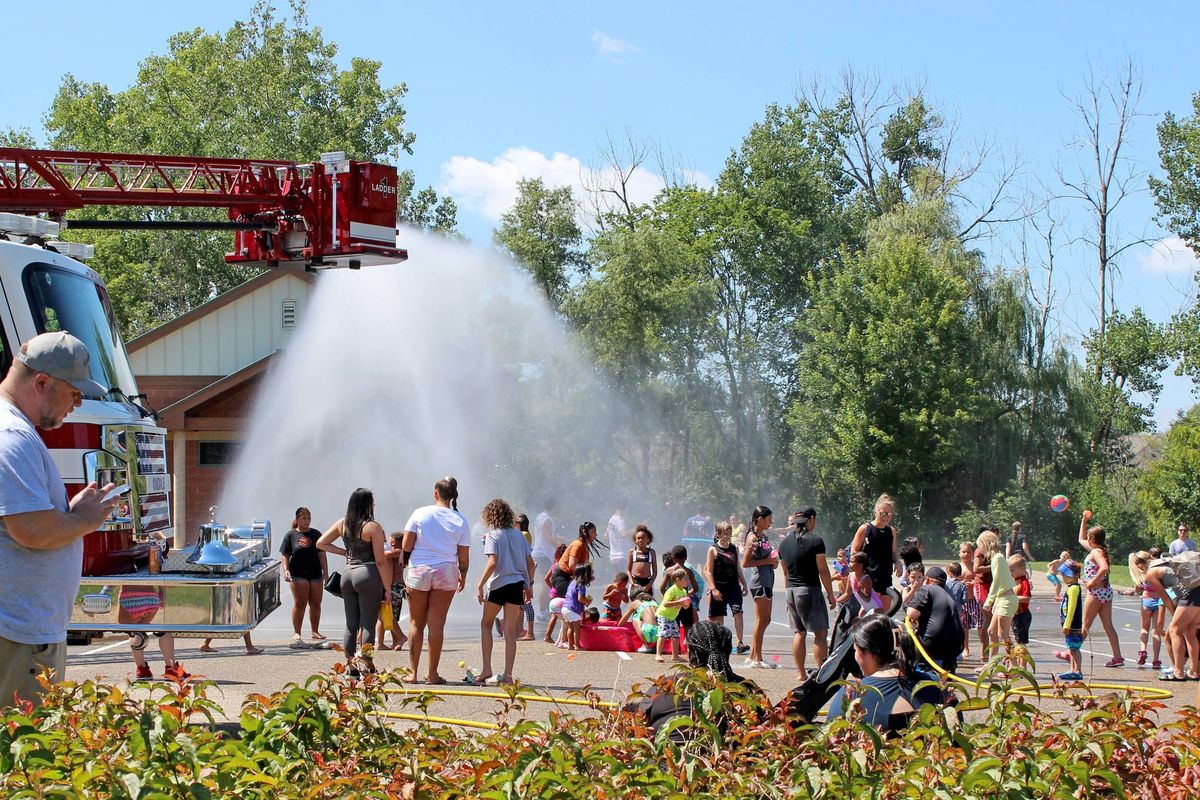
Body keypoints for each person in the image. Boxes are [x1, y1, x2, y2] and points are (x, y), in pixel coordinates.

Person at [0, 332, 121, 707]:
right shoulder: (12, 436)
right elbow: (32, 530)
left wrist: (70, 511)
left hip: (20, 630)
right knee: (25, 754)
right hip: (18, 634)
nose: (78, 402)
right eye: (74, 392)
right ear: (41, 382)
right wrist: (84, 518)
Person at [401, 477, 470, 685]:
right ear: (453, 496)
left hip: (420, 570)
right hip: (446, 571)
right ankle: (432, 674)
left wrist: (403, 568)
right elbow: (463, 556)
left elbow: (406, 544)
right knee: (437, 624)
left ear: (435, 493)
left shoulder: (420, 513)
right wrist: (463, 576)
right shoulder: (460, 520)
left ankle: (412, 673)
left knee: (415, 623)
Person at [317, 488, 392, 677]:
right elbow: (381, 560)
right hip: (367, 573)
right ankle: (367, 664)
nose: (374, 504)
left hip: (348, 574)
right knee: (368, 623)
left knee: (351, 624)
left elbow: (321, 543)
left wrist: (344, 552)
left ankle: (350, 665)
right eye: (372, 501)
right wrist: (388, 587)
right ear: (366, 504)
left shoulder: (342, 524)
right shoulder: (372, 527)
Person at [827, 614, 943, 735]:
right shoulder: (937, 686)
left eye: (855, 650)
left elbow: (832, 742)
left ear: (866, 652)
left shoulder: (851, 696)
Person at [475, 498, 534, 686]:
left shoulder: (493, 534)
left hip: (499, 584)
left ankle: (487, 669)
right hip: (517, 584)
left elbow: (493, 562)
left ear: (491, 516)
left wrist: (479, 584)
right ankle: (508, 675)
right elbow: (530, 563)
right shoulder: (519, 536)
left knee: (486, 624)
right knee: (510, 631)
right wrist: (529, 584)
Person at [778, 508, 836, 682]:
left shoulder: (783, 543)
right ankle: (821, 672)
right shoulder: (816, 541)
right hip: (809, 590)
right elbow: (823, 570)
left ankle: (801, 673)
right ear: (811, 520)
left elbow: (785, 572)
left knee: (799, 632)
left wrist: (789, 597)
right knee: (820, 633)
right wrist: (831, 595)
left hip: (791, 591)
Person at [1077, 510, 1124, 667]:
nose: (1086, 540)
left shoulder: (1096, 552)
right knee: (1108, 625)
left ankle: (1072, 650)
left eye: (1089, 538)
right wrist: (1084, 520)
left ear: (1092, 539)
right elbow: (1080, 539)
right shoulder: (1098, 549)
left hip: (1096, 592)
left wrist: (1091, 582)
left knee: (1085, 624)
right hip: (1105, 591)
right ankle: (1117, 657)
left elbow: (1103, 568)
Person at [280, 506, 328, 645]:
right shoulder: (290, 535)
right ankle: (297, 632)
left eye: (308, 518)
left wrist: (326, 572)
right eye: (303, 518)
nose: (307, 521)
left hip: (315, 573)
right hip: (297, 573)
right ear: (297, 519)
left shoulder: (316, 534)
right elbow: (285, 555)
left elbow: (322, 554)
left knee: (316, 603)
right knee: (300, 603)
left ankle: (315, 631)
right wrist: (286, 570)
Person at [904, 565, 964, 674]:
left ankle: (919, 668)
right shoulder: (947, 593)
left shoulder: (927, 589)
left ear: (926, 580)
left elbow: (911, 613)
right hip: (958, 644)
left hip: (934, 643)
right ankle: (948, 665)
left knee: (908, 635)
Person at [704, 521, 750, 655]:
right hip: (719, 586)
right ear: (718, 534)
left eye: (729, 533)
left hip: (733, 586)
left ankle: (740, 642)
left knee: (738, 612)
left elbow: (738, 568)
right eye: (725, 533)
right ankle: (717, 643)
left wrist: (744, 584)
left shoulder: (734, 548)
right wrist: (713, 589)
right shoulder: (713, 549)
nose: (728, 535)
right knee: (718, 617)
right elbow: (708, 571)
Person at [742, 506, 778, 669]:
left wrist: (773, 561)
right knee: (761, 619)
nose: (771, 522)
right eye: (769, 519)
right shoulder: (753, 537)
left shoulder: (763, 536)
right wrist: (768, 562)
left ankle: (752, 656)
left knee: (767, 619)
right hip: (759, 581)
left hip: (768, 579)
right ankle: (758, 658)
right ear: (760, 519)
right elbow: (746, 563)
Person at [850, 495, 901, 607]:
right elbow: (854, 552)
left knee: (885, 610)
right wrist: (857, 573)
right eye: (883, 513)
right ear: (876, 512)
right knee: (869, 609)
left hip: (885, 576)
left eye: (889, 514)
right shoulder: (865, 528)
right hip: (868, 576)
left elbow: (893, 552)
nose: (886, 517)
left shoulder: (891, 531)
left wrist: (897, 562)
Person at [1121, 551, 1164, 670]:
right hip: (1159, 600)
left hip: (1147, 599)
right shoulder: (1157, 570)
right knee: (1156, 631)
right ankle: (1156, 660)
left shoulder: (1143, 574)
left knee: (1144, 628)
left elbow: (1138, 589)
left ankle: (1143, 650)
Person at [979, 530, 1014, 656]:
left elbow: (997, 581)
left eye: (980, 545)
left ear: (986, 544)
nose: (979, 549)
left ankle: (1014, 664)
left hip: (1007, 598)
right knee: (992, 632)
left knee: (1003, 634)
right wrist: (995, 601)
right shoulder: (995, 559)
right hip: (1001, 598)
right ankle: (991, 663)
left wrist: (989, 600)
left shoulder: (998, 558)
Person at [376, 530, 407, 650]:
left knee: (387, 615)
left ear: (393, 542)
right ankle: (394, 641)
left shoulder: (398, 552)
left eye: (389, 542)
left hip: (395, 586)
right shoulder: (400, 552)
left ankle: (401, 636)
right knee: (388, 614)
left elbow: (383, 555)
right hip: (395, 586)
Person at [551, 522, 597, 601]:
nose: (596, 535)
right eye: (593, 532)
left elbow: (584, 566)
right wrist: (586, 572)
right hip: (562, 576)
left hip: (570, 577)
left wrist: (588, 574)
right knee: (572, 601)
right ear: (584, 532)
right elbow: (572, 566)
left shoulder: (585, 547)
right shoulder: (577, 545)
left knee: (578, 601)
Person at [1057, 560, 1086, 682]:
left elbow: (1072, 607)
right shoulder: (1071, 588)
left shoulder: (1074, 589)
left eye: (1064, 574)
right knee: (1072, 648)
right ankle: (1072, 669)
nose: (1062, 577)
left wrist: (1067, 624)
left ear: (1073, 575)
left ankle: (1077, 670)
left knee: (1074, 648)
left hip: (1073, 624)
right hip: (1070, 624)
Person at [531, 499, 559, 621]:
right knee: (546, 585)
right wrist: (560, 546)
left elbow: (543, 535)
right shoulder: (547, 519)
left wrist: (559, 538)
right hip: (544, 555)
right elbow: (548, 538)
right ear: (553, 507)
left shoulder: (540, 517)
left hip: (539, 552)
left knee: (548, 584)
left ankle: (545, 611)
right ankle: (542, 613)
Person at [656, 568, 691, 663]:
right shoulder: (671, 590)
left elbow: (685, 608)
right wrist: (679, 601)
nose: (688, 581)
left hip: (672, 617)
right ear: (677, 580)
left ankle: (675, 656)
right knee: (663, 634)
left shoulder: (683, 591)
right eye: (685, 579)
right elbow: (665, 604)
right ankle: (658, 654)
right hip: (663, 615)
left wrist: (686, 604)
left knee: (676, 635)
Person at [561, 564, 593, 650]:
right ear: (585, 575)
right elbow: (580, 599)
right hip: (573, 609)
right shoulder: (581, 585)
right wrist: (588, 601)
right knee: (576, 629)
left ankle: (570, 646)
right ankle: (577, 646)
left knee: (570, 629)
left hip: (565, 608)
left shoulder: (572, 583)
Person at [542, 542, 568, 644]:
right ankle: (548, 636)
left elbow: (546, 578)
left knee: (556, 615)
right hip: (558, 594)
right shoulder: (561, 566)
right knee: (556, 616)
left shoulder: (554, 564)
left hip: (553, 593)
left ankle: (556, 637)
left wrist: (552, 588)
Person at [957, 542, 980, 660]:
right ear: (959, 553)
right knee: (964, 626)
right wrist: (960, 583)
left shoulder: (974, 566)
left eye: (968, 552)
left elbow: (980, 579)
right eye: (963, 552)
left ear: (973, 554)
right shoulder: (958, 567)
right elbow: (952, 581)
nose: (965, 554)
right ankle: (965, 648)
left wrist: (973, 583)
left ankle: (983, 647)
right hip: (962, 602)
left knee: (980, 624)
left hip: (974, 600)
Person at [516, 514, 536, 640]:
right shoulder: (523, 534)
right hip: (522, 569)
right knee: (520, 603)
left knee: (526, 602)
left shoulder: (523, 534)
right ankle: (519, 630)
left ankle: (530, 633)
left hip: (525, 570)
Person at [626, 524, 657, 596]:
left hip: (647, 582)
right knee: (636, 604)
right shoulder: (632, 552)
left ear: (648, 539)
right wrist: (632, 583)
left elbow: (655, 572)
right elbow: (628, 570)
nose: (640, 540)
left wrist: (649, 585)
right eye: (638, 538)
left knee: (649, 604)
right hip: (635, 582)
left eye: (643, 538)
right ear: (635, 539)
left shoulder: (651, 552)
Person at [1010, 555, 1033, 648]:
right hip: (1015, 615)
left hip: (1022, 615)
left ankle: (1022, 662)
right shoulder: (1014, 581)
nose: (1010, 572)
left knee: (1021, 642)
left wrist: (1013, 598)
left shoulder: (1024, 582)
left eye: (1012, 570)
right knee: (1017, 639)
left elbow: (1026, 598)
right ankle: (1019, 660)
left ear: (1022, 568)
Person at [606, 501, 630, 577]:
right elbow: (624, 534)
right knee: (624, 582)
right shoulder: (620, 520)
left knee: (618, 581)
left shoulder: (612, 519)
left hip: (613, 556)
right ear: (625, 508)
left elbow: (606, 535)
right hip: (621, 556)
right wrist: (638, 528)